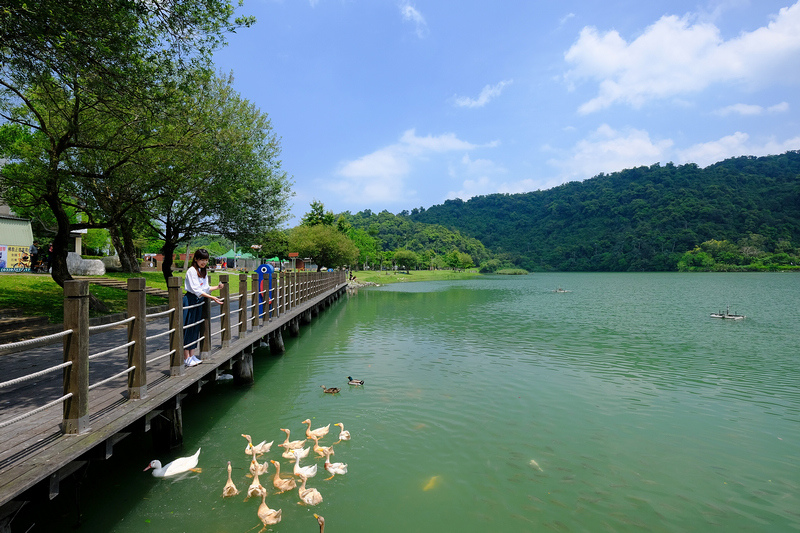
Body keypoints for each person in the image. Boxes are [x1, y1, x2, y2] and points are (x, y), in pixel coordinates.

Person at [183, 249, 223, 367]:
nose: (204, 262)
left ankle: (192, 355)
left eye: (205, 260)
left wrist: (217, 287)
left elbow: (205, 288)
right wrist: (212, 298)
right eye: (201, 259)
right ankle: (186, 357)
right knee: (188, 327)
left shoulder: (203, 271)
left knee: (195, 327)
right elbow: (196, 290)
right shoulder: (191, 271)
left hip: (198, 300)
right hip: (190, 300)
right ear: (196, 259)